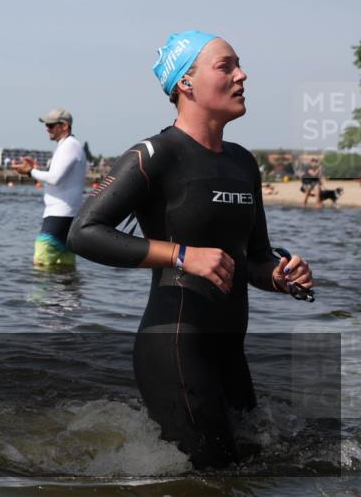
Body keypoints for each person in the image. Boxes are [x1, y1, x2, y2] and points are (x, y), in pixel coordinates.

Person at [67, 30, 314, 469]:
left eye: (238, 65)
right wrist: (182, 255)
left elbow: (254, 256)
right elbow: (84, 232)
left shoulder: (242, 162)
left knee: (255, 467)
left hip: (229, 349)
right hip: (175, 345)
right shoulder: (155, 154)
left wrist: (279, 275)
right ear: (186, 82)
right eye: (227, 66)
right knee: (214, 478)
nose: (242, 75)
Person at [13, 109, 87, 267]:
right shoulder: (69, 145)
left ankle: (41, 293)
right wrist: (37, 169)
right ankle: (66, 293)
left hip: (59, 215)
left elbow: (54, 178)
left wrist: (30, 172)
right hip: (68, 216)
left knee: (39, 264)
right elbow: (59, 178)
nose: (47, 128)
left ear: (65, 126)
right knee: (64, 269)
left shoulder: (69, 146)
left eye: (51, 125)